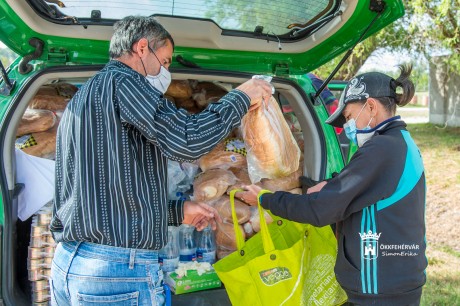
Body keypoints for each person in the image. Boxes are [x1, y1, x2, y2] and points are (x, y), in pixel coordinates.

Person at [49, 16, 273, 305]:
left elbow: (106, 196)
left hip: (71, 264)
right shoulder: (126, 82)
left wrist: (176, 212)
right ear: (142, 48)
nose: (166, 71)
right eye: (165, 61)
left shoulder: (86, 97)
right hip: (114, 272)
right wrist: (241, 97)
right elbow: (187, 141)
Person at [239, 65, 427, 306]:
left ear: (370, 106)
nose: (348, 126)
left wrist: (265, 199)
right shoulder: (398, 142)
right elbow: (364, 187)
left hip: (380, 287)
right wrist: (327, 184)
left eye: (349, 116)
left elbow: (321, 210)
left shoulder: (381, 149)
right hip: (395, 279)